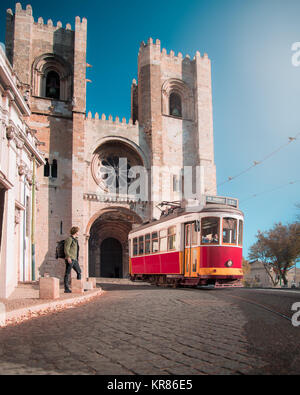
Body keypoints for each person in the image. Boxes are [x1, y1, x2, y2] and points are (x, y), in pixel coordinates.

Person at [64, 226, 81, 293]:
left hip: (75, 259)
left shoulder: (75, 240)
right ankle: (66, 288)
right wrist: (68, 257)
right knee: (67, 273)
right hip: (70, 258)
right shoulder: (69, 239)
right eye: (78, 231)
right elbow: (66, 249)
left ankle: (79, 287)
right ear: (75, 232)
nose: (78, 233)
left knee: (79, 272)